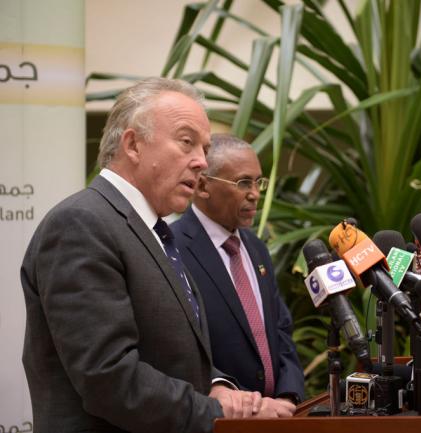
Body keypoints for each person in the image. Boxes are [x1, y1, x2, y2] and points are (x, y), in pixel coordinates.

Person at [21, 78, 279, 433]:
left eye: (204, 149)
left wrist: (217, 385)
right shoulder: (82, 223)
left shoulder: (154, 230)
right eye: (187, 142)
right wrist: (216, 413)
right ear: (133, 145)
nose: (202, 162)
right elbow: (109, 378)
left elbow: (170, 353)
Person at [170, 134, 304, 412]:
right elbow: (178, 347)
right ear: (203, 186)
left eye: (258, 182)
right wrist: (251, 407)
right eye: (243, 183)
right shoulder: (172, 248)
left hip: (277, 415)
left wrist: (288, 396)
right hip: (223, 416)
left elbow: (280, 330)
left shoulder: (256, 248)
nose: (255, 194)